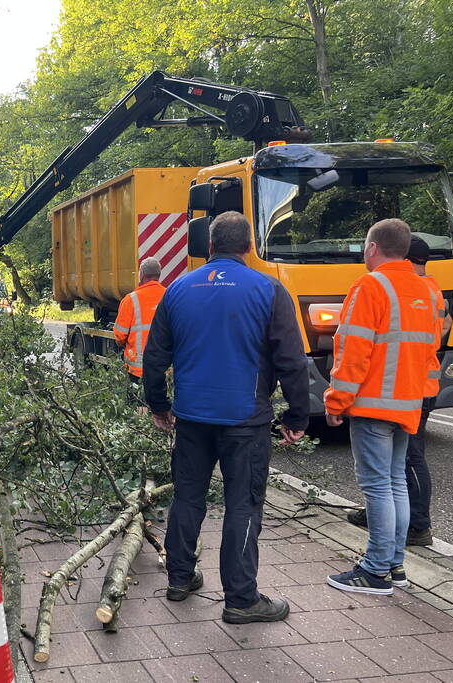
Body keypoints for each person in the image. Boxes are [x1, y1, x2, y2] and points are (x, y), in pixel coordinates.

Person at [142, 211, 308, 624]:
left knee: (187, 496)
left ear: (210, 246)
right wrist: (297, 415)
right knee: (243, 505)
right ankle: (241, 598)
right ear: (249, 247)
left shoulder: (177, 288)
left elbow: (154, 357)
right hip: (245, 421)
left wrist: (159, 405)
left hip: (193, 419)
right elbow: (291, 360)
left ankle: (180, 578)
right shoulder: (269, 290)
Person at [324, 220, 441, 595]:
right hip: (408, 404)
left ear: (372, 248)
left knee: (376, 487)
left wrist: (337, 400)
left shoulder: (370, 286)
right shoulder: (424, 290)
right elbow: (428, 350)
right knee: (395, 484)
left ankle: (374, 571)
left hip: (372, 405)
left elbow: (353, 351)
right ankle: (395, 565)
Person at [347, 235, 451, 550]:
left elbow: (363, 348)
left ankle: (413, 530)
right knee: (395, 473)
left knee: (402, 466)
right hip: (414, 388)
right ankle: (394, 543)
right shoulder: (430, 292)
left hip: (402, 390)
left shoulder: (390, 288)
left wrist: (340, 399)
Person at [113, 256, 166, 389]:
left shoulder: (131, 299)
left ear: (141, 274)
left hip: (138, 369)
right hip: (165, 366)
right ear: (159, 275)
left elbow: (120, 336)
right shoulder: (169, 296)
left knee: (138, 405)